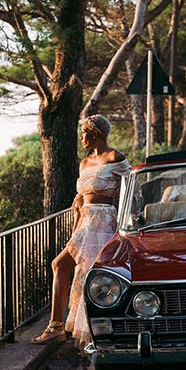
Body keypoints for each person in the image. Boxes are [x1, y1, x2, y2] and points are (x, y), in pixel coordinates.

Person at [32, 114, 130, 349]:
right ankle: (56, 327)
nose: (82, 138)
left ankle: (92, 332)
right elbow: (80, 197)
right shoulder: (84, 163)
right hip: (84, 222)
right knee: (61, 265)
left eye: (84, 133)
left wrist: (127, 226)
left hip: (104, 221)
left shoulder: (115, 157)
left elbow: (131, 191)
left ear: (94, 133)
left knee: (92, 276)